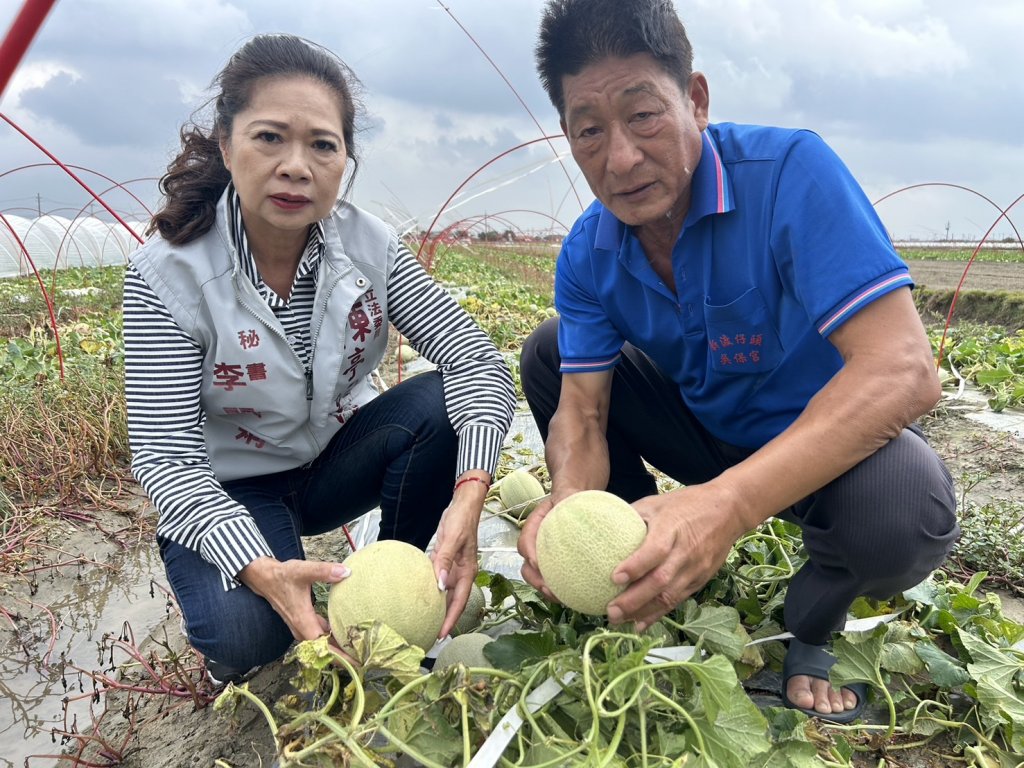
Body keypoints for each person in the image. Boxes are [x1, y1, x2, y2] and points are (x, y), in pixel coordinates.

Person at [517, 0, 958, 723]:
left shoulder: (790, 173)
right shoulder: (588, 249)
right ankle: (637, 568)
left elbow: (904, 370)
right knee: (549, 352)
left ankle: (813, 628)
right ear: (568, 136)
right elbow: (584, 414)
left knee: (903, 513)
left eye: (644, 115)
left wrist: (727, 506)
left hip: (824, 451)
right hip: (706, 433)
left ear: (695, 98)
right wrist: (568, 508)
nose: (620, 158)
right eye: (589, 131)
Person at [123, 34, 516, 684]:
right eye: (270, 138)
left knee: (441, 405)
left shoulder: (368, 245)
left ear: (345, 161)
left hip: (334, 460)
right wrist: (262, 572)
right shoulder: (167, 276)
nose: (296, 166)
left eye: (322, 145)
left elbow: (476, 362)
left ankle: (395, 579)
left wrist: (471, 493)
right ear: (227, 145)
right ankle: (257, 603)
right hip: (232, 486)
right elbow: (165, 460)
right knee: (250, 635)